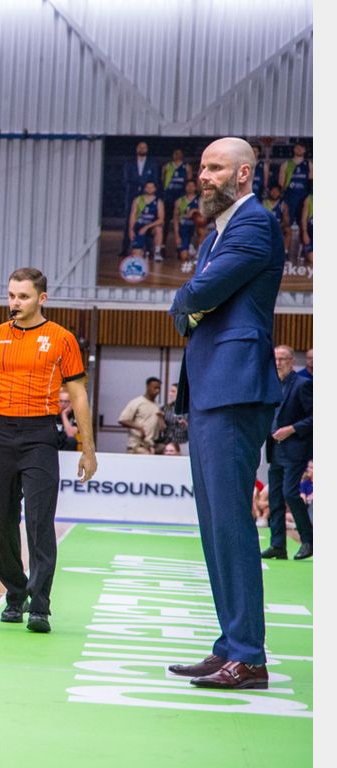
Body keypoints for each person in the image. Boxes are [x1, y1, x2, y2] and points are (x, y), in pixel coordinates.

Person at [166, 137, 285, 690]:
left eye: (214, 168)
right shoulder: (220, 231)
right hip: (213, 388)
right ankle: (230, 645)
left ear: (243, 174)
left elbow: (200, 293)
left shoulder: (254, 223)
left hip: (235, 388)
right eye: (202, 167)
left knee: (231, 523)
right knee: (215, 525)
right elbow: (193, 304)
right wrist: (190, 302)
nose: (203, 176)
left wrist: (186, 300)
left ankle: (249, 657)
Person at [0, 267, 97, 634]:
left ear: (42, 298)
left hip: (40, 435)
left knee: (40, 522)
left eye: (22, 296)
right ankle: (15, 593)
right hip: (0, 434)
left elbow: (78, 394)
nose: (15, 302)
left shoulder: (61, 338)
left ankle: (39, 605)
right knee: (1, 523)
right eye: (11, 295)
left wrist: (88, 447)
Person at [261, 345, 313, 561]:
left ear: (292, 361)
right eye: (275, 359)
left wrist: (291, 429)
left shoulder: (302, 384)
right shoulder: (271, 385)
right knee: (275, 497)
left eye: (282, 359)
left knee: (290, 493)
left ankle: (308, 540)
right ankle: (278, 545)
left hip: (295, 449)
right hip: (276, 449)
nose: (278, 363)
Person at [121, 140, 160, 254]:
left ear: (147, 149)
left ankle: (148, 248)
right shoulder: (129, 163)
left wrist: (148, 189)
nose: (142, 149)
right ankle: (125, 247)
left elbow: (155, 179)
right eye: (140, 147)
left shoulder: (152, 163)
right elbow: (125, 179)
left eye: (144, 147)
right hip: (132, 194)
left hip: (148, 195)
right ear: (136, 149)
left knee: (149, 219)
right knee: (129, 219)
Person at [117, 377, 164, 454]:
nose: (157, 391)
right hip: (137, 444)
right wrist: (139, 428)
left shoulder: (157, 406)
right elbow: (122, 420)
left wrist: (161, 418)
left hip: (150, 445)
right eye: (155, 388)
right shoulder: (137, 402)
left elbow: (161, 428)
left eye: (159, 388)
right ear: (148, 387)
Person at [128, 180, 165, 262]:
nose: (149, 189)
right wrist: (131, 230)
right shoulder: (138, 200)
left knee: (159, 228)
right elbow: (132, 216)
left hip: (151, 228)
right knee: (136, 255)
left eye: (151, 187)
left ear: (155, 189)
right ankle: (143, 250)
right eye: (147, 187)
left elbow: (161, 220)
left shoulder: (158, 202)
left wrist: (147, 227)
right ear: (144, 188)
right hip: (139, 227)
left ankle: (157, 252)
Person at [278, 141, 310, 226]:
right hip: (290, 197)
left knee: (303, 222)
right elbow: (281, 183)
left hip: (304, 197)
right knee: (287, 222)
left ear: (305, 150)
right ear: (294, 149)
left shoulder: (309, 164)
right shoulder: (286, 164)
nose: (299, 149)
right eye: (297, 147)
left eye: (301, 148)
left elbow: (312, 182)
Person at [173, 179, 201, 270]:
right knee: (184, 257)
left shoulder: (199, 200)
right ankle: (190, 250)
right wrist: (177, 235)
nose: (190, 188)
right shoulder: (179, 201)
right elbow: (176, 219)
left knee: (202, 230)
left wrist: (195, 210)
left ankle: (197, 250)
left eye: (192, 186)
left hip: (195, 228)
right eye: (188, 186)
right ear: (185, 187)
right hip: (183, 229)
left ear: (195, 187)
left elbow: (205, 214)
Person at [157, 382, 189, 454]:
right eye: (170, 391)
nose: (170, 394)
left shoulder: (187, 409)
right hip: (168, 444)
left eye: (173, 391)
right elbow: (162, 428)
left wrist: (186, 425)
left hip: (182, 443)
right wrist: (160, 418)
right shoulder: (165, 408)